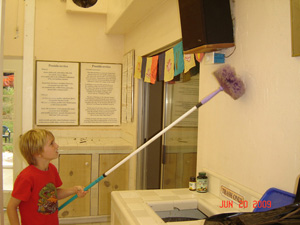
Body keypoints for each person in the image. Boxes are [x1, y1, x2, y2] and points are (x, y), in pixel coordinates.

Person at [7, 129, 88, 225]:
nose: (57, 146)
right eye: (51, 143)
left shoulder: (52, 169)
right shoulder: (26, 177)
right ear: (37, 152)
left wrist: (74, 190)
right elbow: (11, 207)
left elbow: (53, 194)